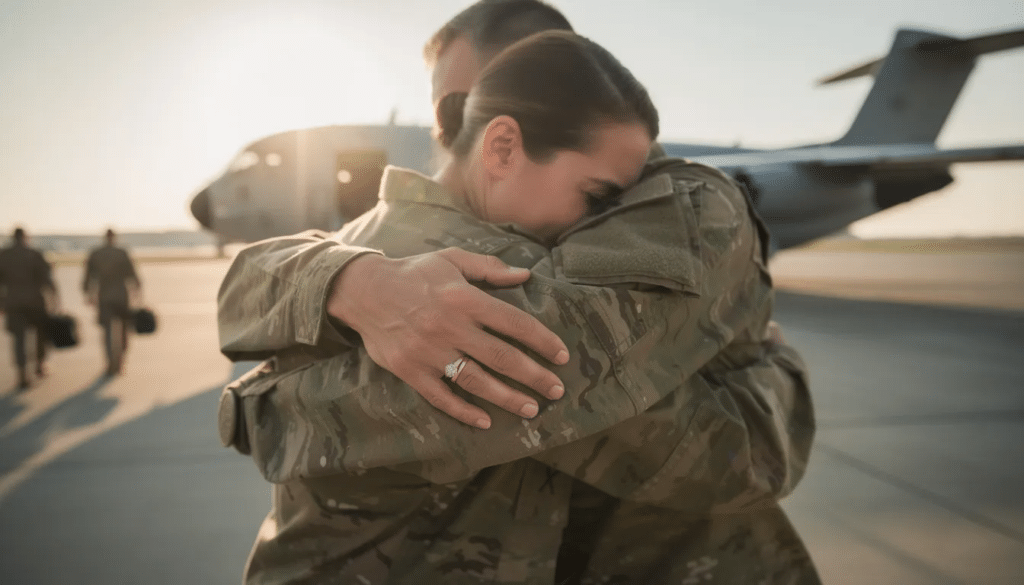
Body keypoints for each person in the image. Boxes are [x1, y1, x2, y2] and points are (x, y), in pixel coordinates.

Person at [219, 15, 818, 585]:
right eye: (450, 109)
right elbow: (719, 456)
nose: (454, 129)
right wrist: (775, 378)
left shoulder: (653, 214)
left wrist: (271, 393)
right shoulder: (459, 271)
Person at [0, 227, 57, 390]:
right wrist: (54, 298)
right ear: (25, 237)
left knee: (19, 339)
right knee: (40, 335)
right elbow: (47, 278)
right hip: (35, 303)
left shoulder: (4, 256)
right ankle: (39, 364)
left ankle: (22, 374)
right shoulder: (34, 254)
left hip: (13, 303)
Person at [83, 228, 141, 376]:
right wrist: (137, 293)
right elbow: (133, 275)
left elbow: (89, 277)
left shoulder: (96, 254)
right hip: (121, 296)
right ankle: (120, 358)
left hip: (105, 296)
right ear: (114, 238)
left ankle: (111, 362)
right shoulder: (122, 253)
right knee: (124, 330)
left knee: (108, 331)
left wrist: (89, 294)